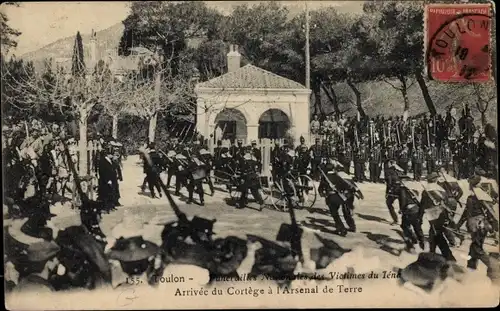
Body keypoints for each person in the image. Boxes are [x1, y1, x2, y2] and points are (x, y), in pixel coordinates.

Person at [456, 175, 494, 274]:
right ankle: (471, 267)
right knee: (475, 246)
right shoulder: (485, 196)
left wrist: (458, 225)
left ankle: (494, 267)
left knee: (477, 248)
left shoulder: (471, 198)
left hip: (476, 225)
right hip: (484, 224)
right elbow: (491, 212)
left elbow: (467, 214)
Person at [420, 172, 456, 262]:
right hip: (442, 214)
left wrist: (419, 217)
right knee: (433, 233)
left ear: (428, 180)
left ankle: (449, 257)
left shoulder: (426, 191)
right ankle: (432, 255)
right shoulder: (442, 190)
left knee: (437, 235)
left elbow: (422, 205)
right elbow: (446, 203)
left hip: (432, 216)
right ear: (436, 180)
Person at [318, 162, 357, 236]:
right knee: (346, 211)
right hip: (343, 196)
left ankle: (341, 229)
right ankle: (352, 226)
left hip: (332, 197)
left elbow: (320, 189)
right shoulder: (338, 176)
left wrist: (323, 194)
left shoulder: (325, 176)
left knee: (335, 214)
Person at [385, 160, 402, 225]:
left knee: (389, 203)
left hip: (393, 190)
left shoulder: (388, 171)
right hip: (401, 189)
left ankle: (395, 220)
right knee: (402, 205)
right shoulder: (399, 170)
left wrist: (387, 192)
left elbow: (389, 182)